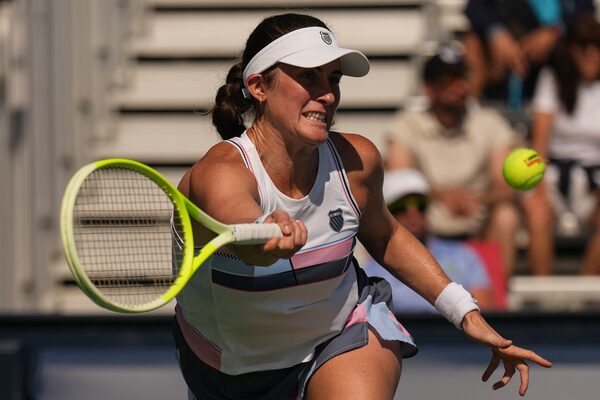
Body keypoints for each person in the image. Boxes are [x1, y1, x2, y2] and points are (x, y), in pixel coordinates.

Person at [173, 13, 551, 400]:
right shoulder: (221, 172)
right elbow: (240, 224)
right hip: (224, 368)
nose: (327, 95)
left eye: (333, 79)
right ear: (258, 87)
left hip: (339, 336)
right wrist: (265, 234)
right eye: (309, 78)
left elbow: (386, 237)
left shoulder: (358, 161)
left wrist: (464, 312)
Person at [385, 44, 521, 276]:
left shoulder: (490, 122)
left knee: (506, 216)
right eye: (449, 79)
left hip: (479, 224)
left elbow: (506, 186)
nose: (460, 86)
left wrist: (476, 199)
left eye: (463, 77)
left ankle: (499, 295)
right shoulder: (405, 125)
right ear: (429, 88)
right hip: (426, 227)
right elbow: (398, 188)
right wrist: (443, 196)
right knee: (402, 214)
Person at [524, 14, 600, 276]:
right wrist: (539, 188)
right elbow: (540, 140)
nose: (593, 55)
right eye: (585, 47)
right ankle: (542, 289)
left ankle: (587, 290)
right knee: (536, 210)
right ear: (572, 50)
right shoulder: (552, 80)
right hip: (554, 172)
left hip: (595, 179)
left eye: (597, 47)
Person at [363, 169, 495, 313]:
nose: (413, 214)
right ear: (387, 212)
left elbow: (485, 310)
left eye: (420, 204)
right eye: (401, 206)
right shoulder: (372, 269)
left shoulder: (464, 255)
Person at [463, 0, 596, 105]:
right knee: (472, 41)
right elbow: (475, 7)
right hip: (503, 65)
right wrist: (496, 33)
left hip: (553, 66)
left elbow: (585, 9)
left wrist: (555, 31)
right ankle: (470, 105)